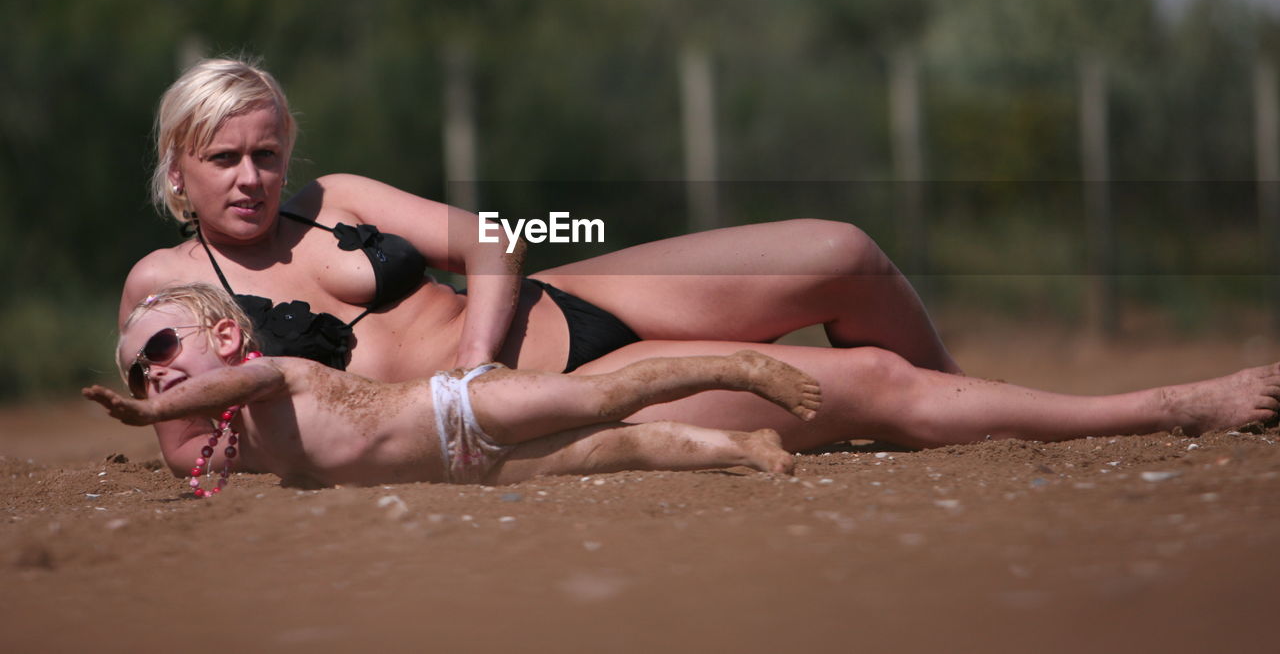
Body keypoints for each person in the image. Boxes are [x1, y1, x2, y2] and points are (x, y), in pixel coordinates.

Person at [121, 58, 1280, 451]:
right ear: (179, 169)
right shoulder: (165, 287)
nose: (251, 177)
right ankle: (1170, 406)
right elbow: (182, 415)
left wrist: (477, 356)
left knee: (845, 250)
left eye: (265, 152)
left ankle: (962, 413)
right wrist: (485, 403)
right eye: (224, 158)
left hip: (564, 310)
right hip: (561, 407)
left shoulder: (337, 199)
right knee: (871, 386)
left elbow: (494, 240)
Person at [88, 284, 822, 488]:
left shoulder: (270, 377)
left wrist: (140, 406)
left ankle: (740, 366)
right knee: (612, 450)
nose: (150, 373)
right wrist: (154, 411)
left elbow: (186, 404)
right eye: (136, 369)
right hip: (466, 469)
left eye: (157, 348)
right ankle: (743, 445)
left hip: (459, 402)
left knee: (609, 395)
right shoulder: (237, 443)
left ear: (223, 337)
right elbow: (186, 458)